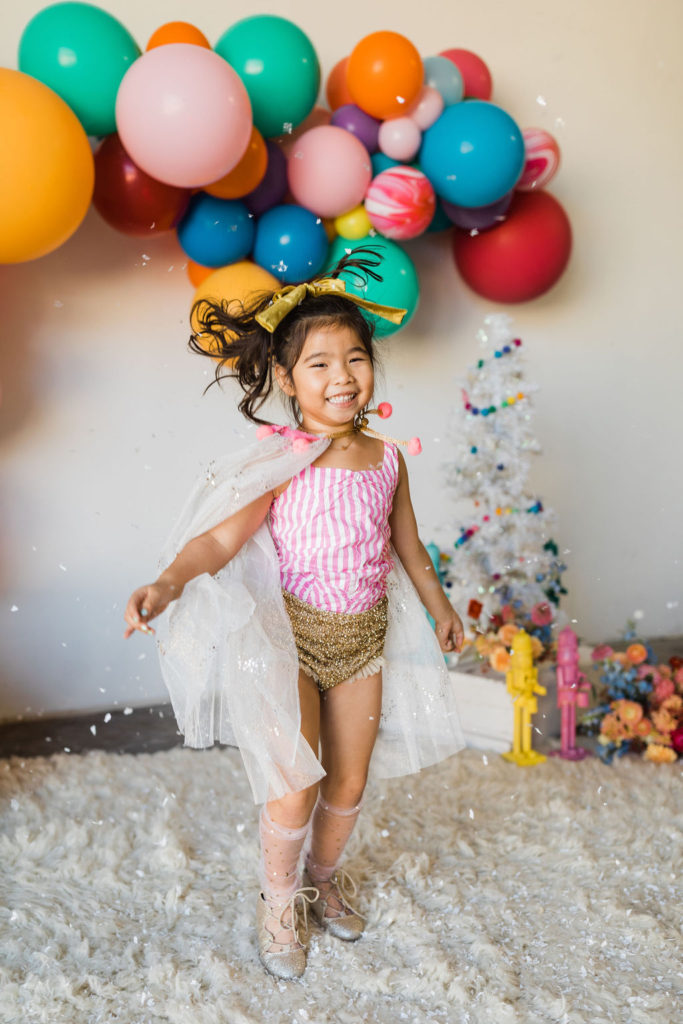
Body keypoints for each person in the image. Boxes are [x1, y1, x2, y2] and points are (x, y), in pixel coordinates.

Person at [123, 250, 465, 981]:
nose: (342, 375)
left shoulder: (388, 460)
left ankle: (322, 877)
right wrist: (167, 582)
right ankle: (278, 900)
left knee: (348, 781)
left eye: (355, 358)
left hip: (362, 641)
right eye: (319, 363)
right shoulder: (284, 462)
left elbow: (409, 547)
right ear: (285, 378)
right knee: (294, 783)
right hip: (289, 641)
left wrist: (439, 608)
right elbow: (219, 540)